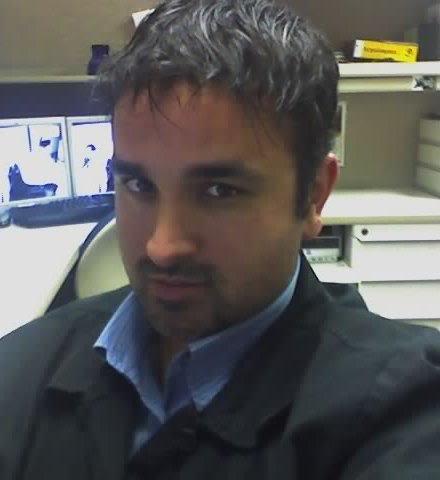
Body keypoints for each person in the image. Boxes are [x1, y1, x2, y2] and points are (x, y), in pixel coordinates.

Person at [2, 1, 440, 478]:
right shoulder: (21, 365)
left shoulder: (404, 411)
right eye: (139, 185)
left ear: (314, 193)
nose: (162, 247)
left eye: (219, 191)